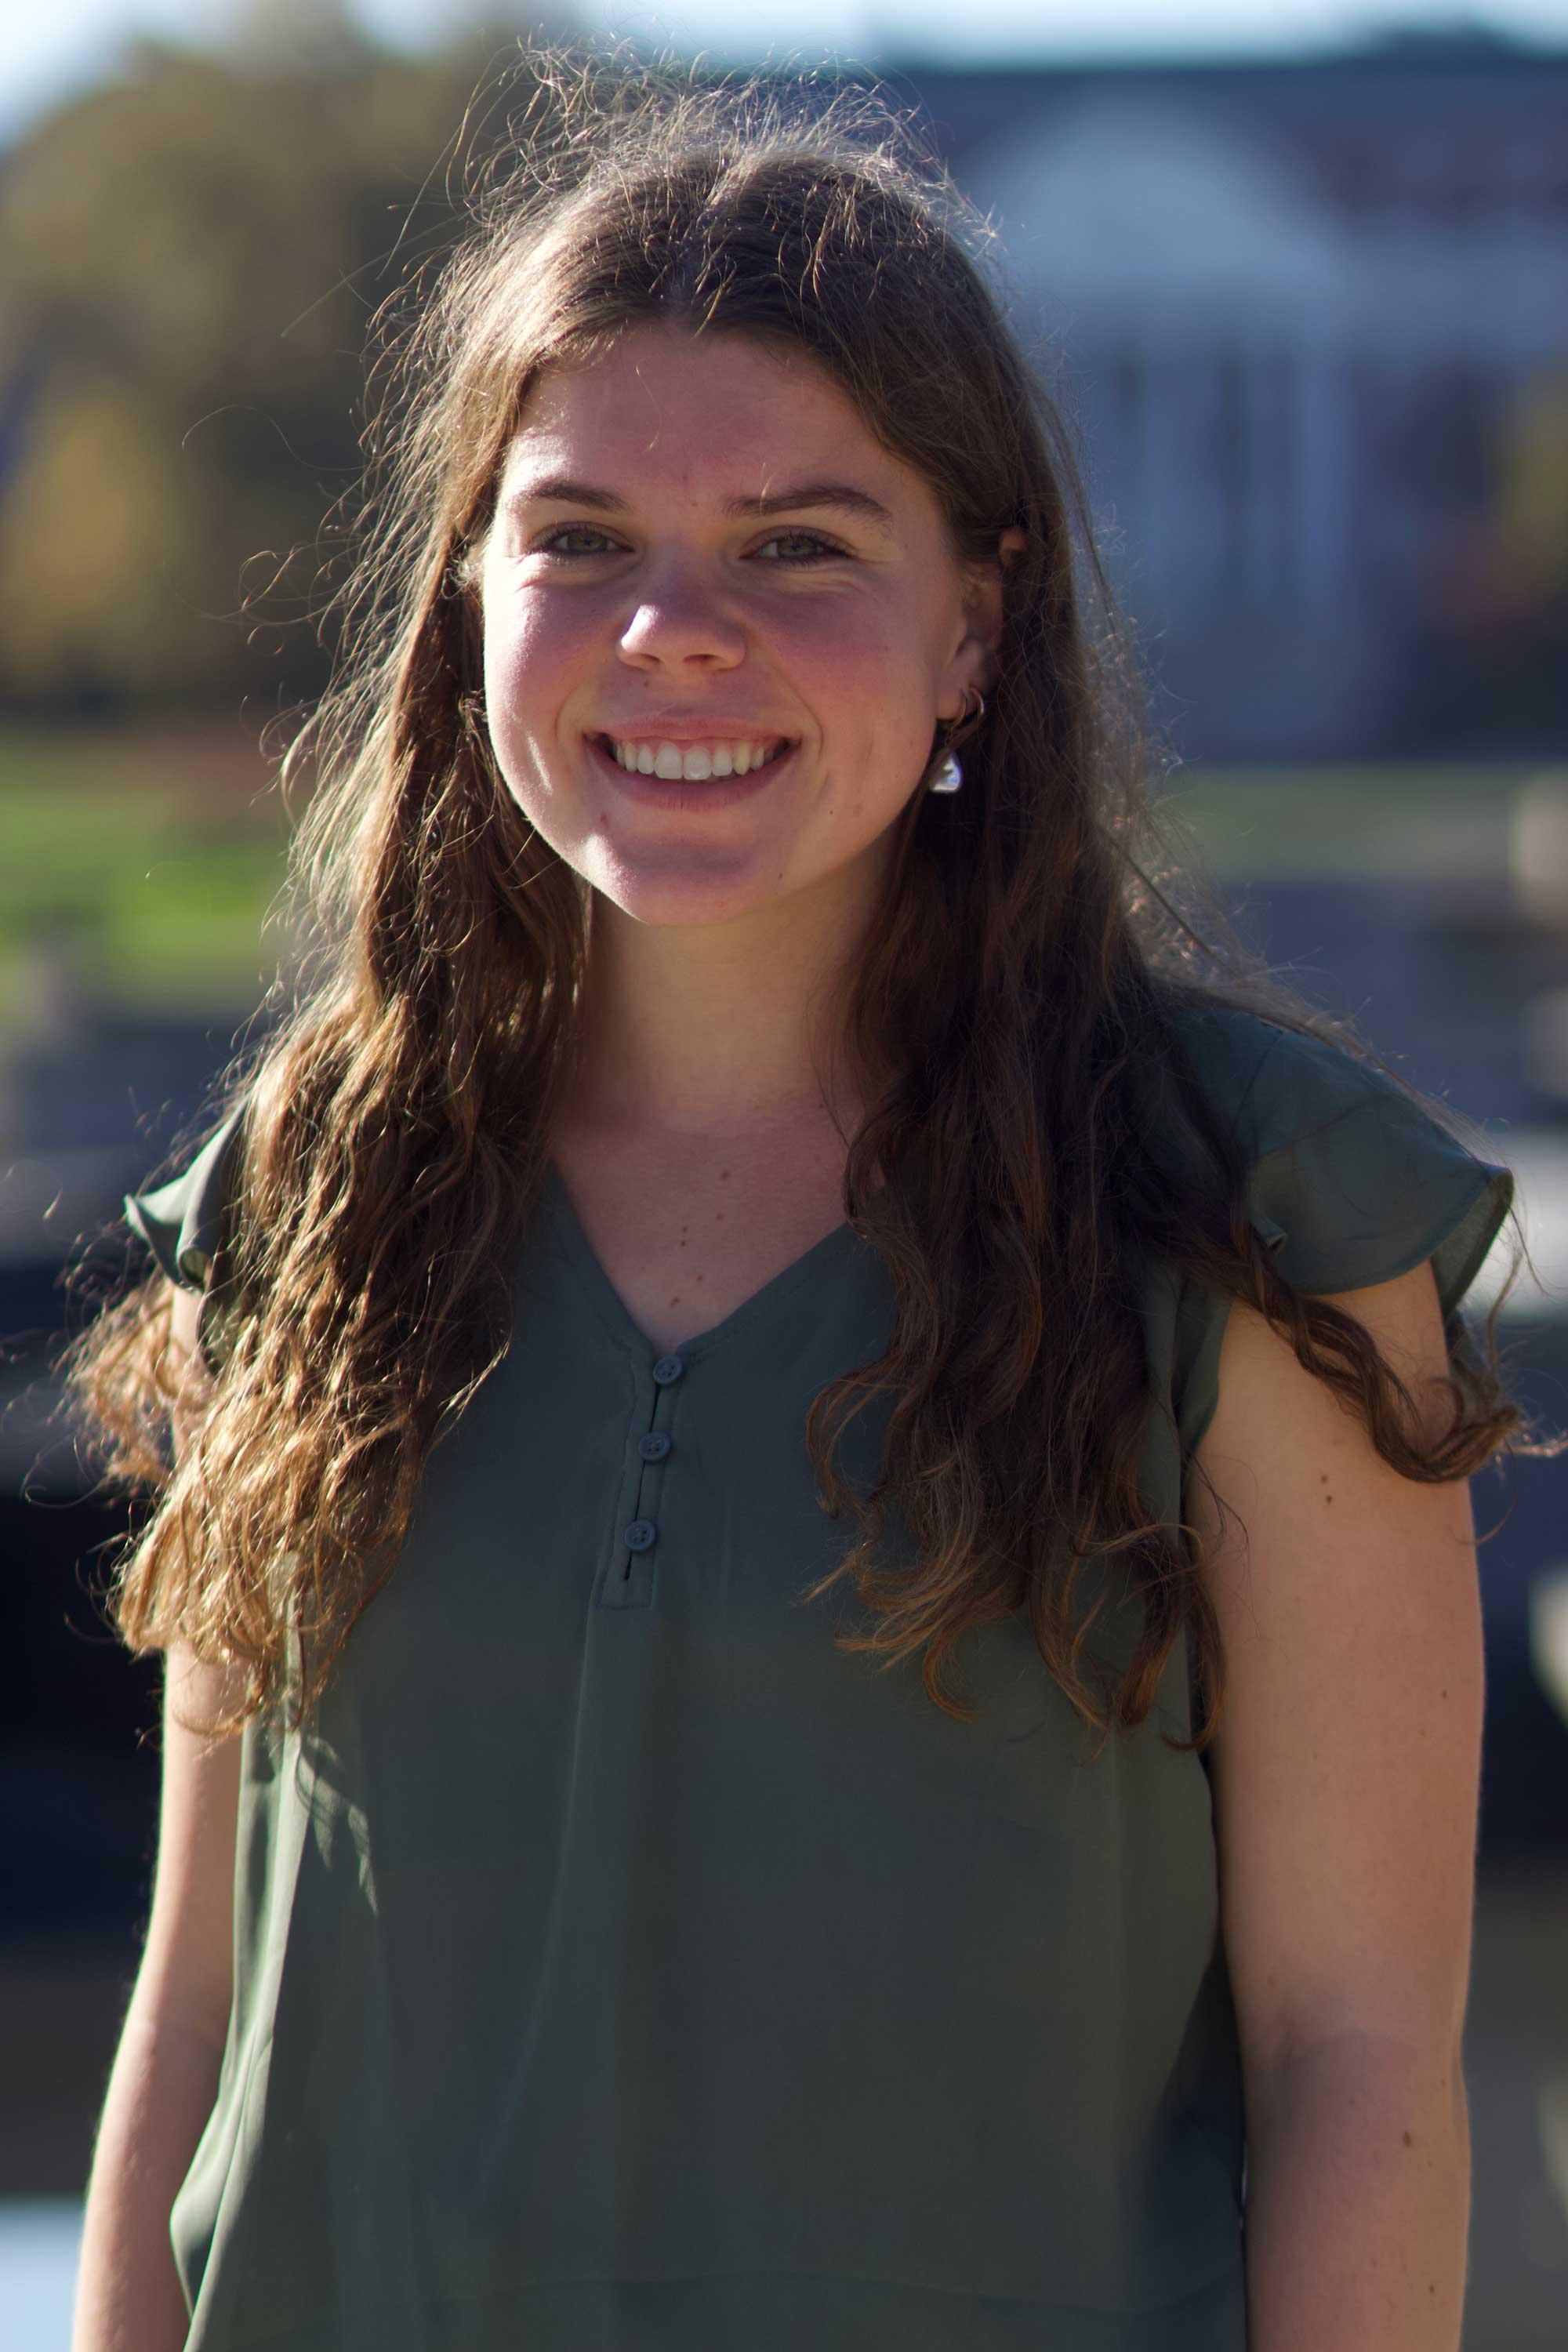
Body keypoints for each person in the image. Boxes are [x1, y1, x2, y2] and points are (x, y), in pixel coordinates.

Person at [64, 49, 1533, 2352]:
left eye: (798, 544)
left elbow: (1358, 2060)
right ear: (468, 599)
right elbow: (197, 2016)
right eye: (581, 540)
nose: (675, 632)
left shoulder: (1255, 1218)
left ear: (976, 626)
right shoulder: (314, 1190)